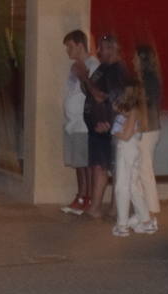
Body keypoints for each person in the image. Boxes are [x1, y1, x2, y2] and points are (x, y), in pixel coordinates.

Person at [74, 34, 129, 219]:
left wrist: (85, 77)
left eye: (103, 47)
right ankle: (98, 207)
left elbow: (101, 96)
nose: (99, 51)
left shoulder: (117, 70)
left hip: (107, 126)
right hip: (96, 126)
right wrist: (84, 79)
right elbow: (89, 90)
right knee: (99, 165)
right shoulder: (102, 67)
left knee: (107, 167)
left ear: (113, 49)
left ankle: (107, 208)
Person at [60, 30, 99, 215]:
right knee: (78, 163)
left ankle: (89, 197)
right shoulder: (74, 67)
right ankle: (81, 196)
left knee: (87, 163)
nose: (67, 50)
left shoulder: (93, 65)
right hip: (73, 123)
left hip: (85, 123)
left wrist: (84, 74)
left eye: (70, 46)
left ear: (80, 45)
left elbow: (94, 92)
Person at [111, 84, 156, 236]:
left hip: (126, 148)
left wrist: (115, 132)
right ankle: (146, 221)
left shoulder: (132, 113)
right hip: (134, 149)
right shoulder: (138, 113)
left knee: (122, 185)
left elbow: (126, 135)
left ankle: (122, 224)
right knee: (134, 186)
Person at [133, 43, 164, 232]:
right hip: (147, 128)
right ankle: (143, 211)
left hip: (148, 128)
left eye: (135, 57)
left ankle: (151, 214)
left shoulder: (148, 79)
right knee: (142, 171)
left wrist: (141, 126)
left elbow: (146, 104)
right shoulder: (145, 79)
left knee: (145, 171)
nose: (132, 60)